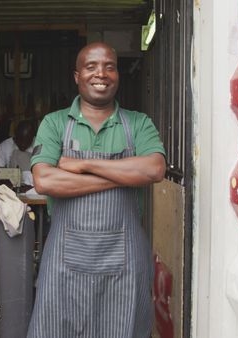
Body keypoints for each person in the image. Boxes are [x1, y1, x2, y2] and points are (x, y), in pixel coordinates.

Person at [28, 42, 166, 337]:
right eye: (91, 66)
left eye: (109, 66)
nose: (100, 73)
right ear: (77, 75)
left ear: (117, 74)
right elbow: (46, 181)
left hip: (125, 263)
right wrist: (124, 175)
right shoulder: (54, 124)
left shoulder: (138, 124)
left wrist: (83, 164)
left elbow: (153, 169)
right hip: (64, 263)